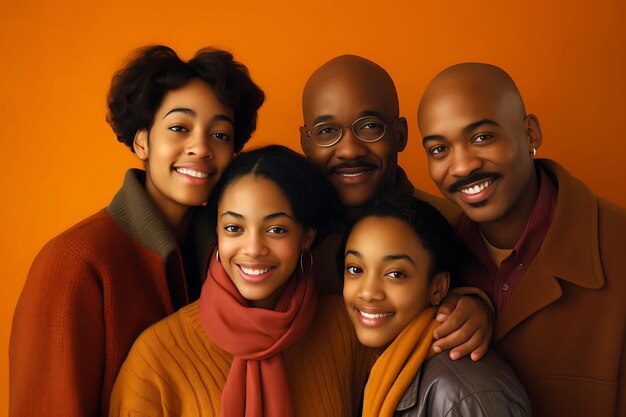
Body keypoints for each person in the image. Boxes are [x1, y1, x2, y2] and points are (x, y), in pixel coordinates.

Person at [9, 45, 264, 417]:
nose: (201, 148)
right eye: (179, 128)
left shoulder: (237, 257)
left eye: (220, 135)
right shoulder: (74, 262)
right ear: (141, 140)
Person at [418, 62, 626, 416]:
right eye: (439, 149)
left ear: (530, 133)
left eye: (482, 137)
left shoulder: (618, 245)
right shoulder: (429, 255)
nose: (463, 166)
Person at [109, 145, 372, 417]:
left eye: (276, 229)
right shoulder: (156, 356)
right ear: (217, 234)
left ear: (306, 236)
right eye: (234, 228)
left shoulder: (349, 330)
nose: (253, 248)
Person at [300, 55, 493, 362]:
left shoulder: (459, 224)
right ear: (305, 142)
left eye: (370, 126)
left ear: (400, 135)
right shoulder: (288, 235)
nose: (349, 149)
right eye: (327, 131)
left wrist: (478, 304)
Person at [342, 192, 531, 416]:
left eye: (395, 274)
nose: (368, 292)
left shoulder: (461, 395)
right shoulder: (376, 365)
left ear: (437, 288)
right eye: (355, 269)